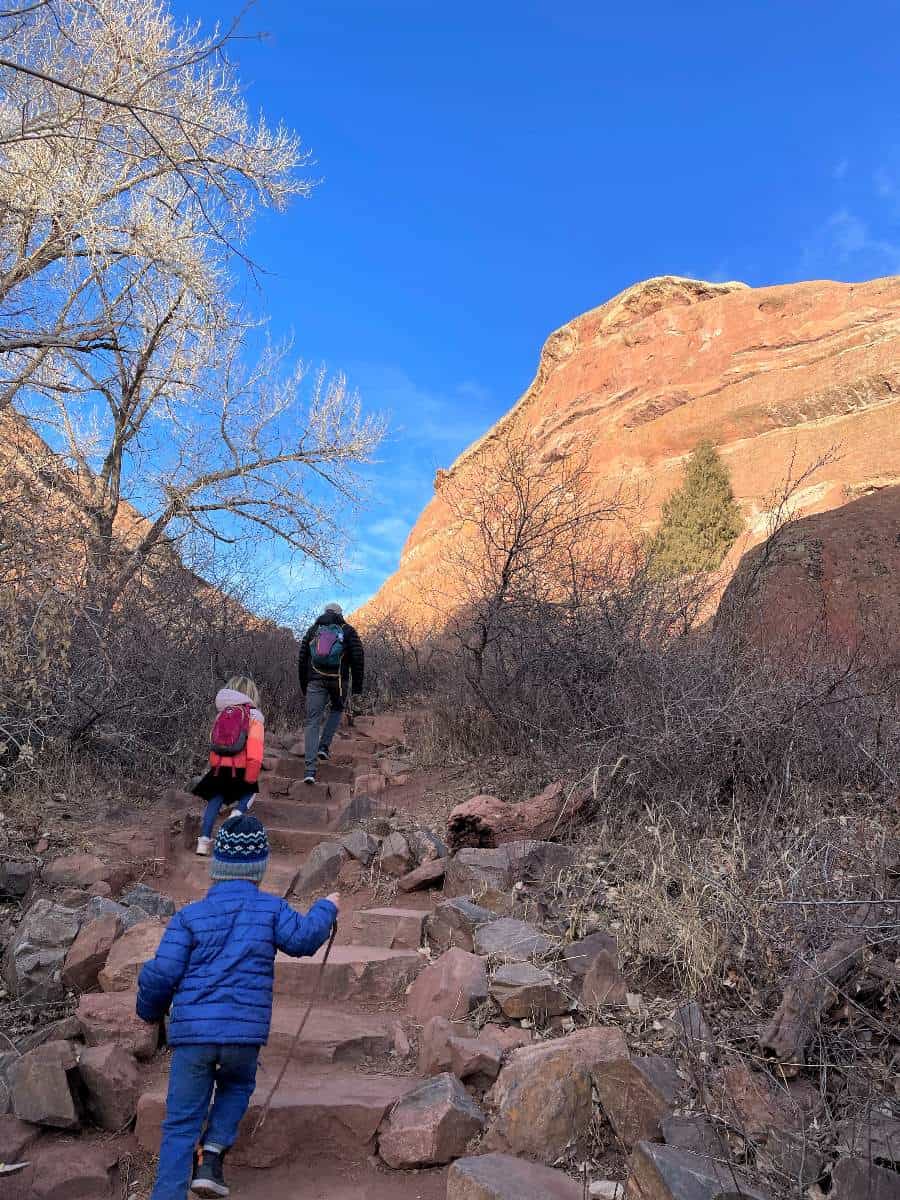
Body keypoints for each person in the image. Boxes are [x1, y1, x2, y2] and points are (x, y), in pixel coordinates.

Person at [136, 813, 339, 1199]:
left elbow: (161, 973)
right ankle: (211, 1154)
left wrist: (148, 1012)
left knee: (180, 1124)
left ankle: (168, 1193)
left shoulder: (190, 917)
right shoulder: (271, 910)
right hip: (242, 1037)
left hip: (193, 1039)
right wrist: (327, 907)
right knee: (239, 1083)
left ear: (216, 869)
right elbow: (305, 939)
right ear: (259, 869)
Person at [192, 676, 265, 856]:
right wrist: (251, 777)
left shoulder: (222, 714)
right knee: (251, 792)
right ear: (251, 694)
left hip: (218, 769)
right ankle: (237, 813)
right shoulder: (253, 717)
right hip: (240, 767)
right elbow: (255, 751)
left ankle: (203, 842)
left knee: (214, 802)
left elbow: (214, 744)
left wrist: (215, 766)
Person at [297, 602, 364, 785]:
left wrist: (305, 685)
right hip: (339, 681)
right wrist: (357, 687)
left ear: (324, 612)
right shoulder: (347, 630)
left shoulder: (313, 630)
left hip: (314, 681)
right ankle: (324, 746)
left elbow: (302, 658)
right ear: (340, 614)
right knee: (337, 709)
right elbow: (358, 657)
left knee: (312, 721)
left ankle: (310, 770)